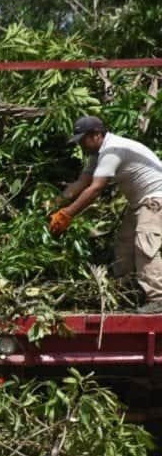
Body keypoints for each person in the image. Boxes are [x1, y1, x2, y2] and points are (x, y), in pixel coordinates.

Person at [50, 115, 162, 313]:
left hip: (156, 198)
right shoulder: (96, 155)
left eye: (83, 140)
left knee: (145, 244)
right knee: (124, 243)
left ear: (97, 135)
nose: (81, 146)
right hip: (139, 202)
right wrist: (55, 205)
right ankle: (128, 293)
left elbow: (95, 189)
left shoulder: (112, 150)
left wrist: (66, 215)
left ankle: (157, 298)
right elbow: (81, 183)